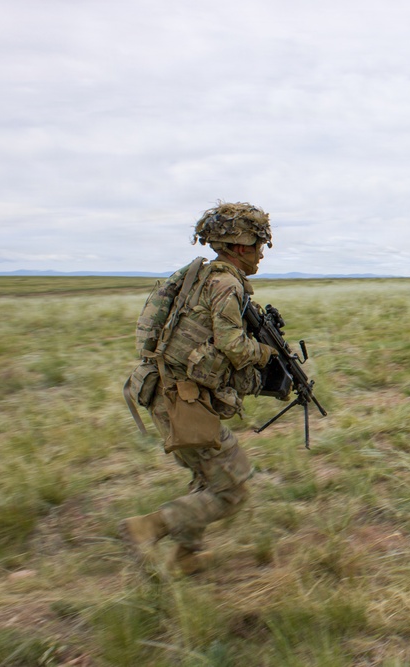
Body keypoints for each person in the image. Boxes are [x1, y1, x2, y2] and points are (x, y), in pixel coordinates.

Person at [119, 202, 277, 575]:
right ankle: (150, 527)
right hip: (182, 402)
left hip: (168, 394)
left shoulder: (201, 277)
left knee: (207, 477)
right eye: (257, 245)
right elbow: (233, 347)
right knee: (231, 490)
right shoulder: (226, 285)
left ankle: (185, 557)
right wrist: (266, 353)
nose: (261, 254)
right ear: (239, 247)